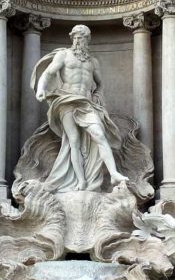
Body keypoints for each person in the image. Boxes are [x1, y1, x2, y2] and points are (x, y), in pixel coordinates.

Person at [33, 24, 128, 192]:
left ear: (87, 40)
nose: (78, 41)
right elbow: (48, 73)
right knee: (73, 141)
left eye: (81, 38)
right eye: (75, 37)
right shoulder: (64, 55)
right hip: (66, 100)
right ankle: (81, 181)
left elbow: (100, 83)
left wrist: (99, 94)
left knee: (99, 134)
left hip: (86, 103)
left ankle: (114, 173)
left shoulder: (93, 62)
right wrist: (41, 88)